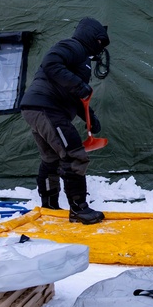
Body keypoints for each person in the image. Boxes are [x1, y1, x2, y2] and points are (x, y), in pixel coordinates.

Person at [20, 17, 110, 224]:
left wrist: (90, 118)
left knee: (51, 158)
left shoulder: (82, 58)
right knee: (74, 155)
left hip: (38, 107)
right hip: (48, 108)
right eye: (99, 42)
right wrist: (79, 85)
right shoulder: (72, 46)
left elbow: (74, 93)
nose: (100, 48)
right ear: (90, 36)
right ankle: (79, 209)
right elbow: (51, 63)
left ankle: (49, 205)